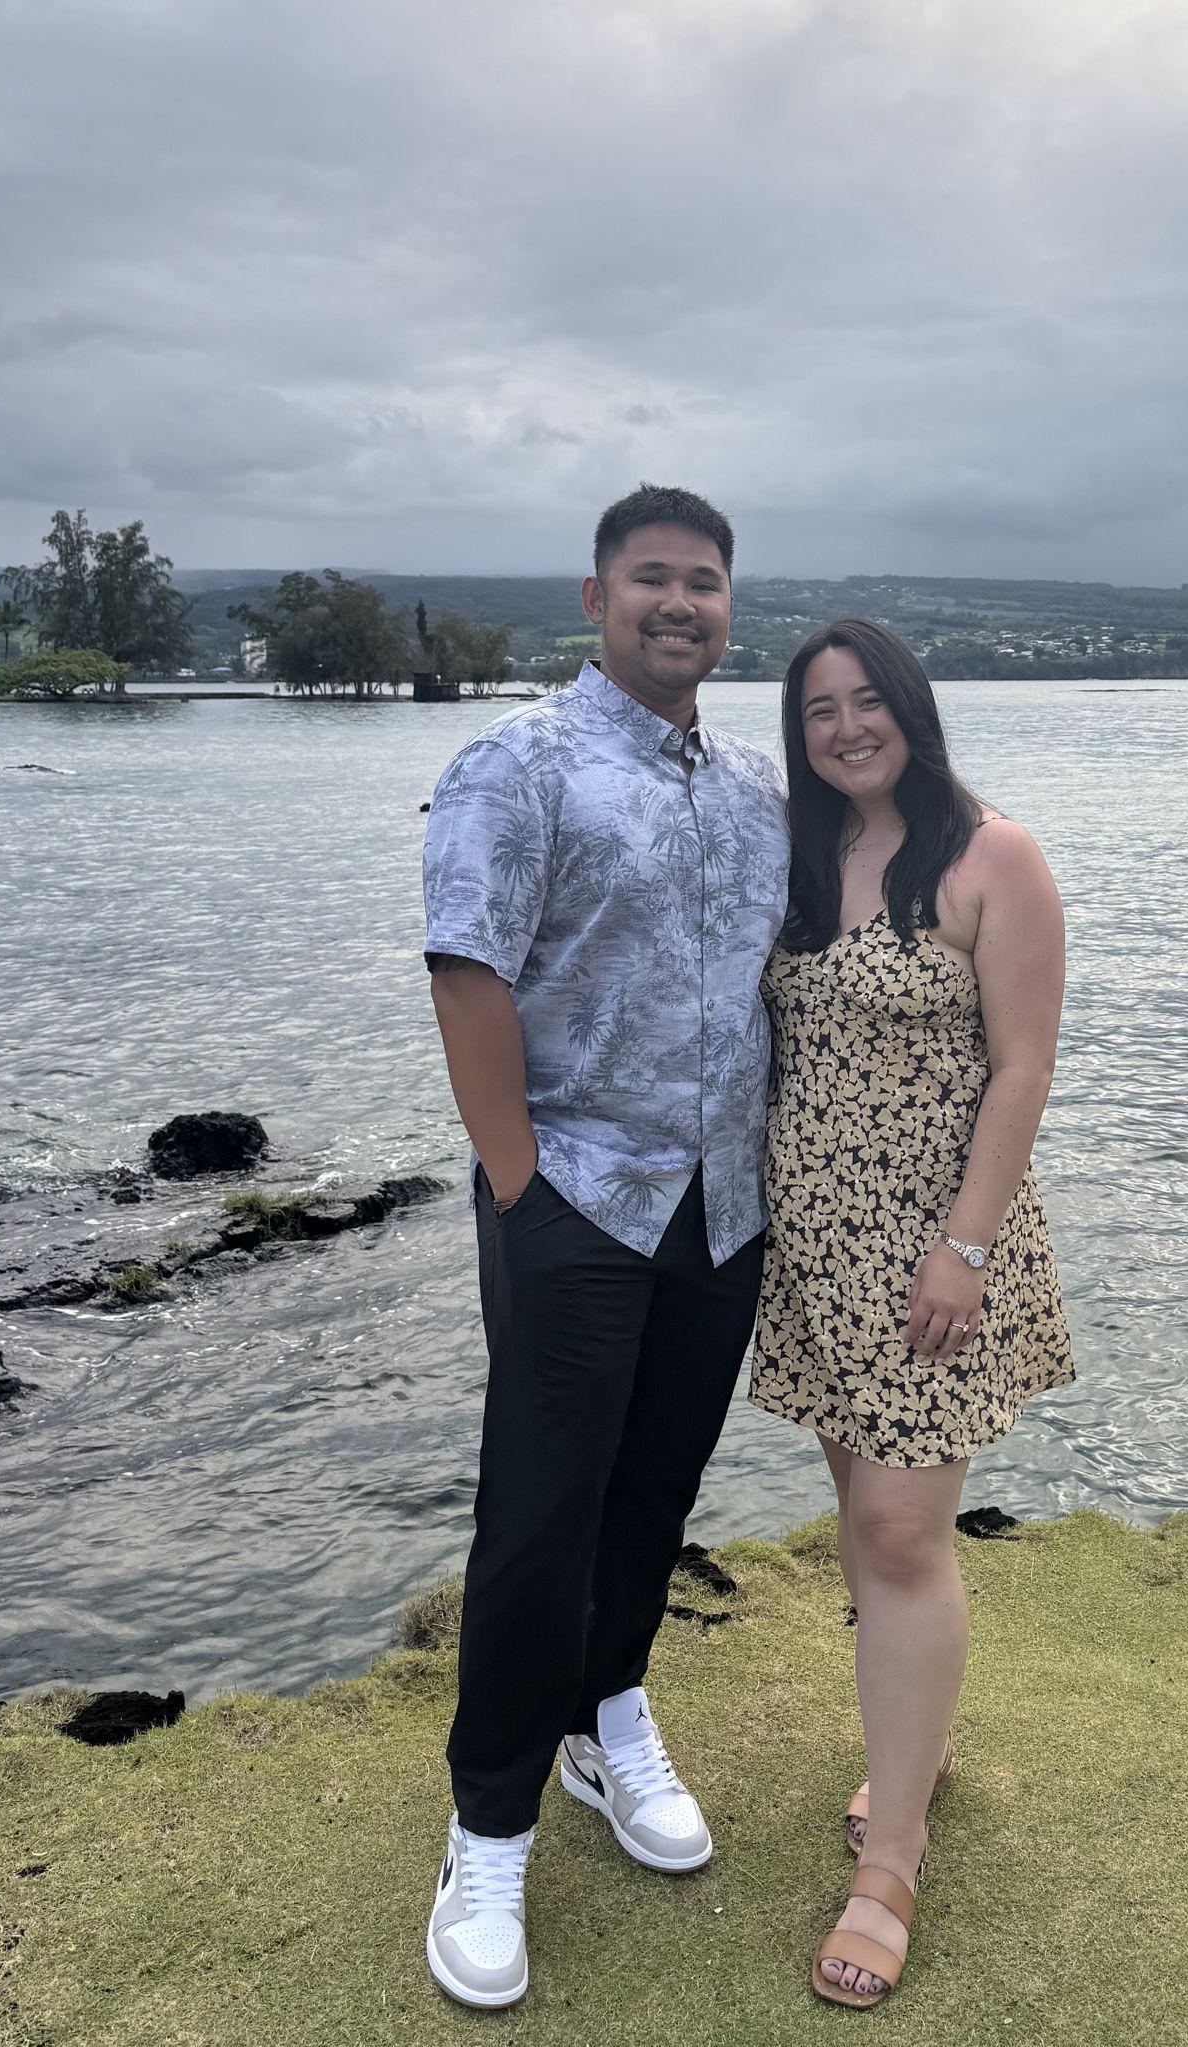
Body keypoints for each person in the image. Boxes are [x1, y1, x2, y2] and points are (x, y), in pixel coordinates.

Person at [418, 483, 788, 2010]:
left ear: (727, 607)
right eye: (651, 578)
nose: (679, 603)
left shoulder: (759, 788)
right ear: (596, 598)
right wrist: (521, 1190)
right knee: (539, 1513)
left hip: (723, 1203)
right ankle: (488, 1827)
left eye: (704, 581)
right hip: (573, 1193)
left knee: (652, 1491)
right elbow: (467, 972)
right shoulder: (521, 765)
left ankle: (605, 1715)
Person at [749, 618, 1074, 2009]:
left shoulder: (994, 857)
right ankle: (912, 1751)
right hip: (813, 1243)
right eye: (818, 709)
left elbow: (1023, 1069)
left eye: (866, 700)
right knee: (865, 1515)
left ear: (912, 709)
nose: (845, 728)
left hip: (937, 1253)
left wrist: (964, 1248)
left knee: (898, 1531)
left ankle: (892, 1859)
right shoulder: (794, 853)